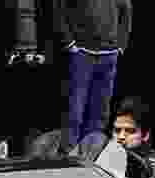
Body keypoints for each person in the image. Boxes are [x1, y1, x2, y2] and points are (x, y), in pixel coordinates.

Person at [54, 0, 133, 152]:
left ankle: (90, 155)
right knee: (75, 110)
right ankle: (68, 155)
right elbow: (59, 8)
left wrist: (121, 44)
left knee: (100, 113)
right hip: (83, 53)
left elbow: (126, 10)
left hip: (108, 54)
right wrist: (69, 42)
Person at [112, 96, 155, 178]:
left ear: (145, 135)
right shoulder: (105, 158)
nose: (121, 137)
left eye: (130, 131)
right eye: (117, 131)